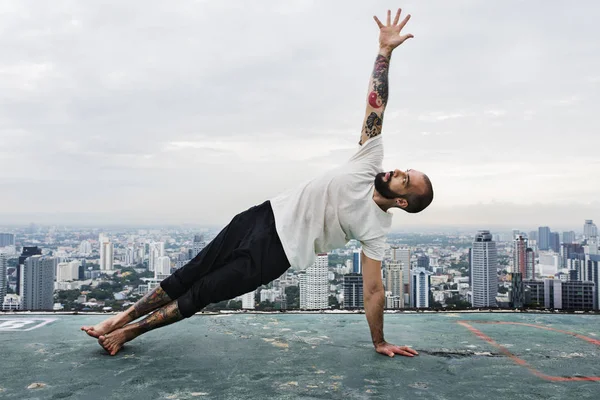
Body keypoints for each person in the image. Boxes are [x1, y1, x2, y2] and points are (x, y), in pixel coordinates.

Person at [82, 8, 433, 358]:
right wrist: (384, 52)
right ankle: (118, 319)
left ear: (402, 202)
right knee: (191, 272)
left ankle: (129, 333)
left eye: (405, 180)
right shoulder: (368, 161)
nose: (398, 172)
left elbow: (373, 291)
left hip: (276, 254)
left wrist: (379, 341)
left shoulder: (376, 230)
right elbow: (376, 106)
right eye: (404, 170)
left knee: (203, 292)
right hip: (262, 216)